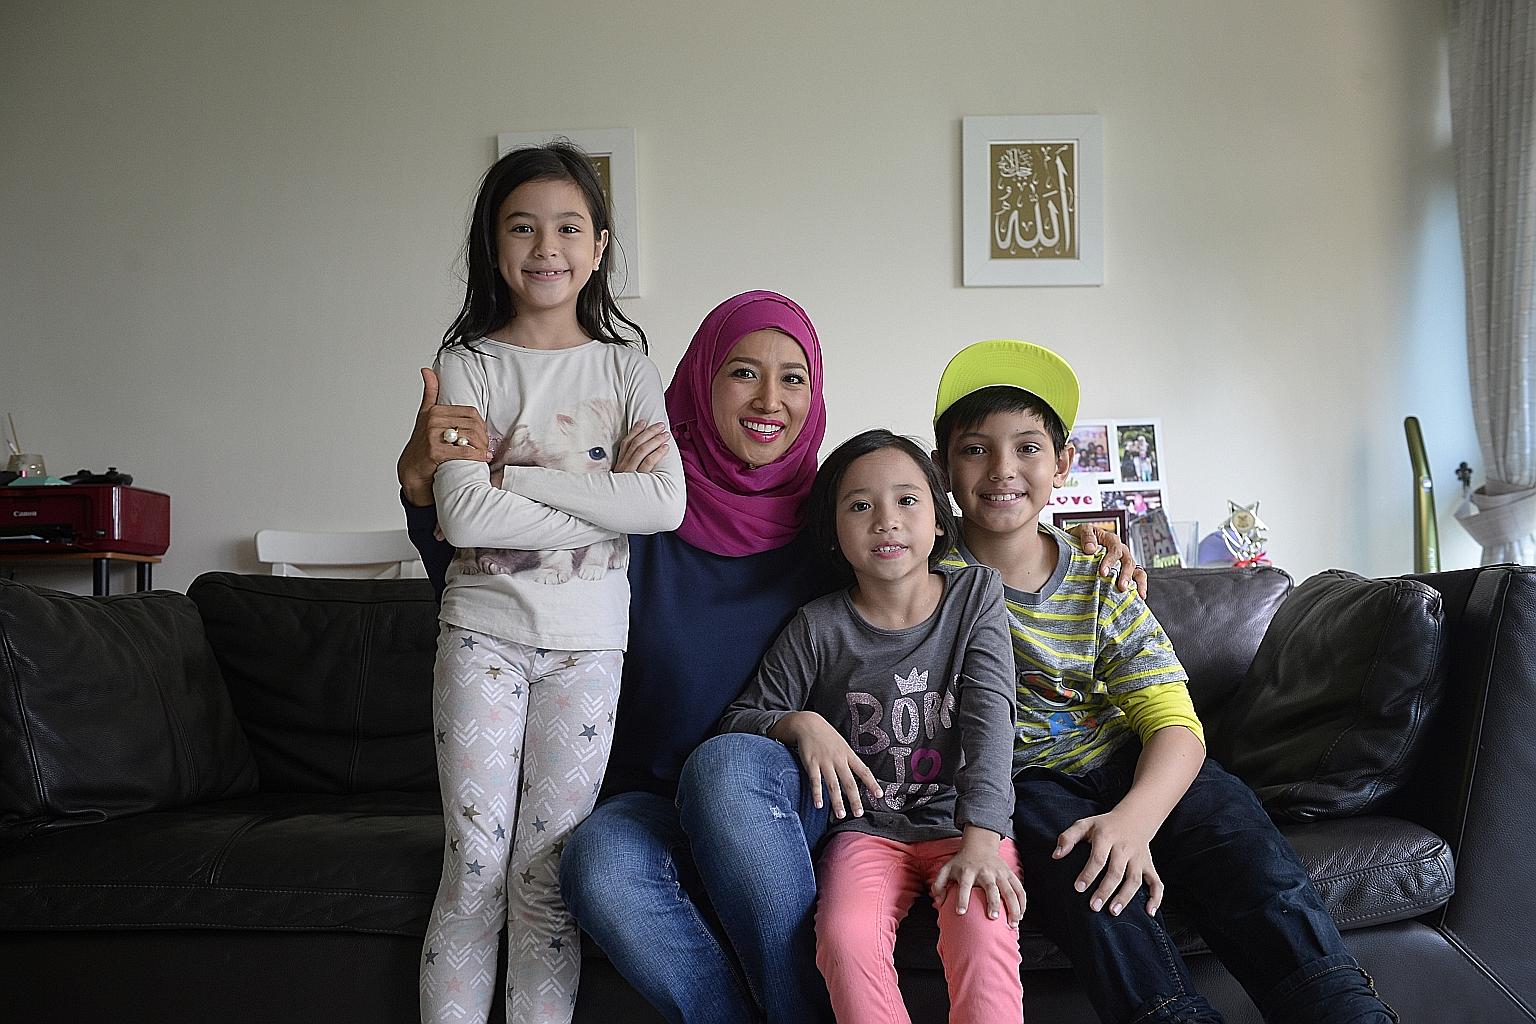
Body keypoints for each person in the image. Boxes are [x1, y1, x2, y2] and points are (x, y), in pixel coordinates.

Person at [398, 294, 1145, 1023]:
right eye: (741, 371)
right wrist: (421, 492)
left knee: (724, 766)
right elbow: (504, 586)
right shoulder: (637, 503)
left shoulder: (830, 522)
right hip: (648, 792)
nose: (770, 397)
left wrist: (1078, 544)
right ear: (698, 382)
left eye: (793, 377)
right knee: (594, 866)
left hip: (791, 797)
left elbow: (934, 573)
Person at [931, 339, 1397, 1024]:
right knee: (1089, 879)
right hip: (1025, 783)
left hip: (1132, 760)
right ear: (943, 465)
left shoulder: (1100, 578)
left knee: (1250, 858)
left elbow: (1175, 725)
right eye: (975, 449)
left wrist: (1134, 820)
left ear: (1061, 465)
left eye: (1028, 447)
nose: (1003, 468)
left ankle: (1340, 1008)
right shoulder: (923, 584)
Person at [417, 141, 686, 1024]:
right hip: (483, 636)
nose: (546, 247)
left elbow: (665, 505)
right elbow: (463, 519)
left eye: (569, 227)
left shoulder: (628, 369)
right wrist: (609, 499)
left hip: (588, 649)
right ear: (494, 247)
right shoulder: (467, 366)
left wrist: (518, 479)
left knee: (544, 880)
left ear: (600, 246)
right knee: (477, 867)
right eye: (522, 227)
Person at [718, 429, 1025, 1024]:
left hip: (964, 822)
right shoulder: (816, 627)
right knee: (844, 936)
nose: (886, 521)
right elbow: (739, 719)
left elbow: (992, 721)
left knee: (983, 927)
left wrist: (984, 839)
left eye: (907, 501)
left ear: (939, 521)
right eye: (860, 506)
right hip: (865, 831)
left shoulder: (975, 597)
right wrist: (799, 722)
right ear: (834, 533)